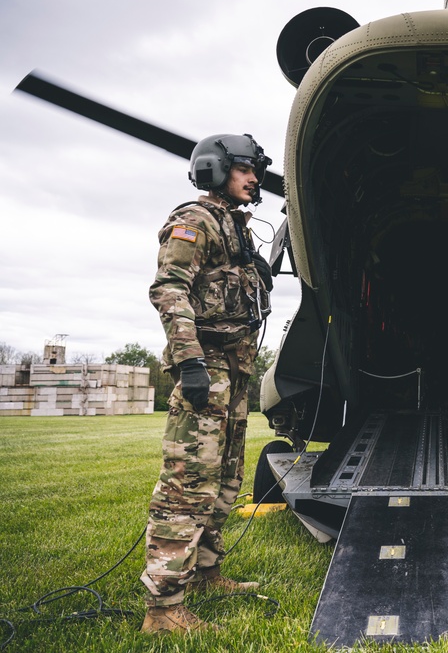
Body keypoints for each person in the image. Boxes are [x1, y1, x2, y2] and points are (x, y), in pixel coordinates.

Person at [140, 133, 274, 634]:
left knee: (225, 477)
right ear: (216, 169)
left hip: (234, 368)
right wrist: (190, 361)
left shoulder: (235, 229)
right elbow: (169, 289)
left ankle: (205, 571)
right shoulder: (194, 221)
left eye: (254, 170)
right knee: (189, 483)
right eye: (244, 169)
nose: (254, 178)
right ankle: (163, 608)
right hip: (207, 366)